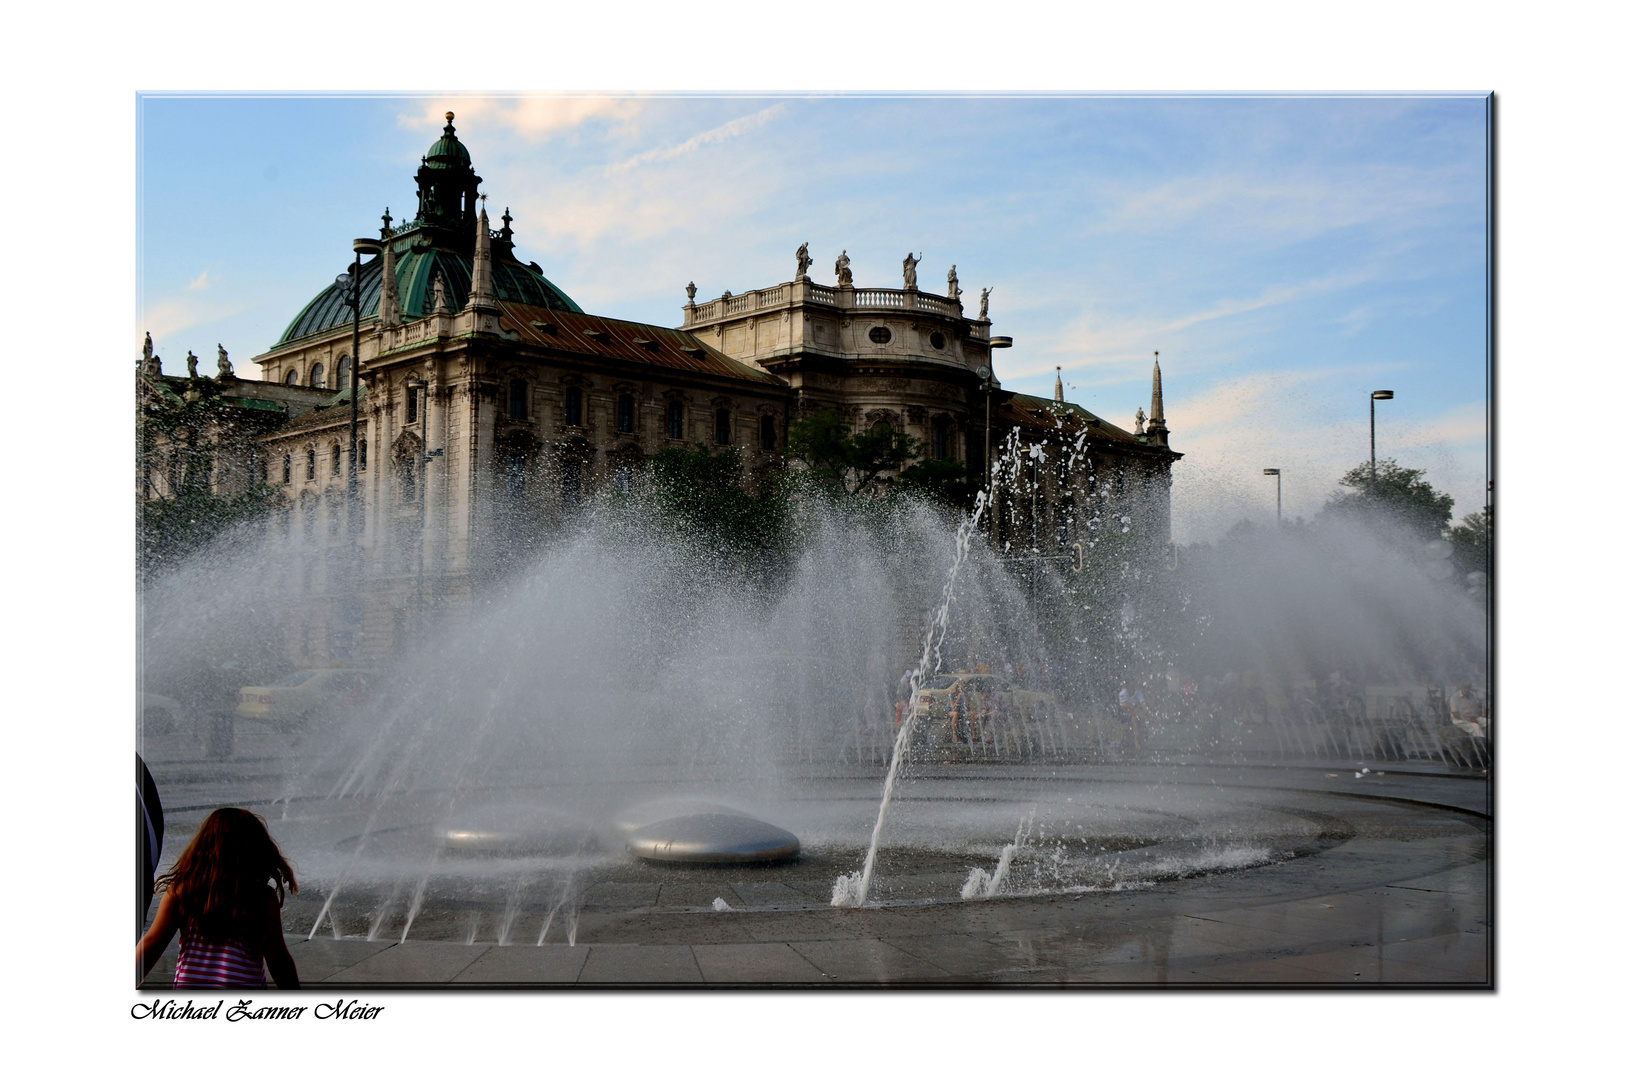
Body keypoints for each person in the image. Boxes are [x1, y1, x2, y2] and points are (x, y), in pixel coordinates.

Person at [136, 807, 300, 989]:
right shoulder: (262, 897)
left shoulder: (182, 892)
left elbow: (152, 944)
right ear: (255, 849)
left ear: (203, 846)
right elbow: (277, 957)